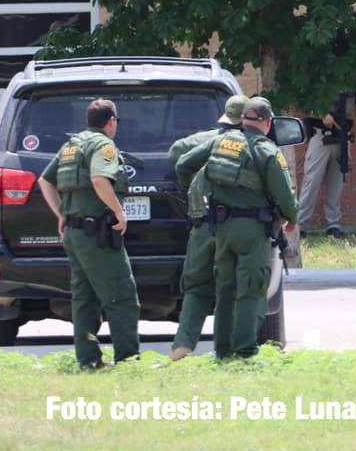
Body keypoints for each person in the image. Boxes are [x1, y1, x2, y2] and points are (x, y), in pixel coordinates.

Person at [175, 97, 297, 358]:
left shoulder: (219, 142)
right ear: (267, 122)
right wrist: (291, 218)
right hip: (252, 229)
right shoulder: (267, 150)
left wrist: (198, 192)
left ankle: (222, 351)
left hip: (220, 228)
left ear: (243, 119)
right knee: (251, 288)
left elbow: (183, 163)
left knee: (226, 288)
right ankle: (245, 351)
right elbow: (285, 195)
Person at [38, 98, 140, 368]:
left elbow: (45, 180)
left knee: (85, 299)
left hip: (74, 232)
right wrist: (119, 211)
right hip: (97, 234)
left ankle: (88, 360)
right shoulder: (103, 145)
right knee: (121, 294)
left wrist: (61, 214)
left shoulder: (72, 144)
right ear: (111, 121)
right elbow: (99, 179)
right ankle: (129, 360)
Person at [165, 94, 248, 361]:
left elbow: (175, 152)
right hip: (235, 224)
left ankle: (183, 345)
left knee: (197, 287)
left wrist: (192, 183)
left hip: (201, 223)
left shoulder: (203, 140)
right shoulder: (250, 143)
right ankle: (231, 349)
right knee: (232, 286)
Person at [298, 90, 356, 238]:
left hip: (342, 139)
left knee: (336, 185)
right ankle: (299, 225)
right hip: (321, 137)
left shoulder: (351, 85)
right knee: (311, 183)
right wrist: (322, 113)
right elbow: (303, 104)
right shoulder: (318, 78)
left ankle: (333, 226)